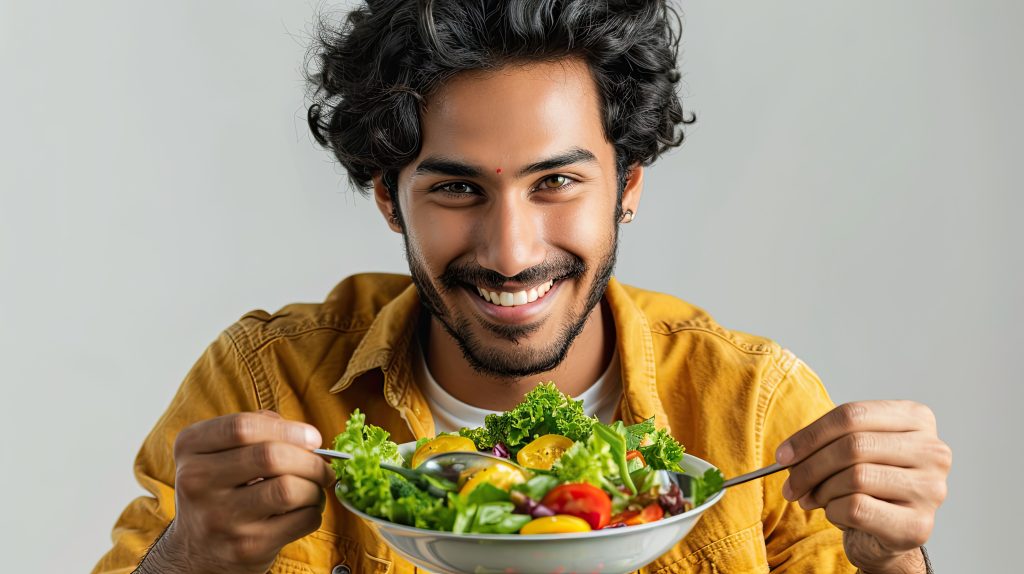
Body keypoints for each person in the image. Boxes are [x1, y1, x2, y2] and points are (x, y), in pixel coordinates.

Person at [93, 1, 950, 573]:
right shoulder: (267, 383)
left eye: (556, 183)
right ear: (390, 196)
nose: (510, 252)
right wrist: (186, 557)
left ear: (630, 185)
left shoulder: (755, 406)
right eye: (459, 189)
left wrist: (895, 561)